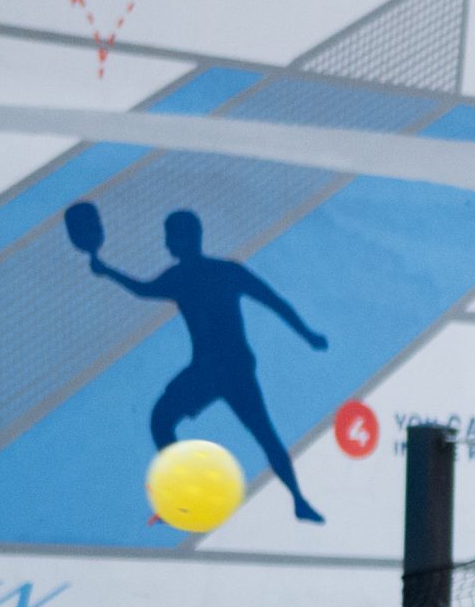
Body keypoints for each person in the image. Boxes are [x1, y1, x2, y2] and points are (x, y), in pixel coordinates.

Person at [89, 210, 331, 524]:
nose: (166, 244)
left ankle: (295, 501)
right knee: (252, 432)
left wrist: (106, 270)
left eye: (170, 237)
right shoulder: (217, 272)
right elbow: (275, 302)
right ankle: (295, 500)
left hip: (219, 369)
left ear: (186, 239)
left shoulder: (195, 276)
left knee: (169, 421)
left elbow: (274, 302)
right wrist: (308, 335)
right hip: (222, 368)